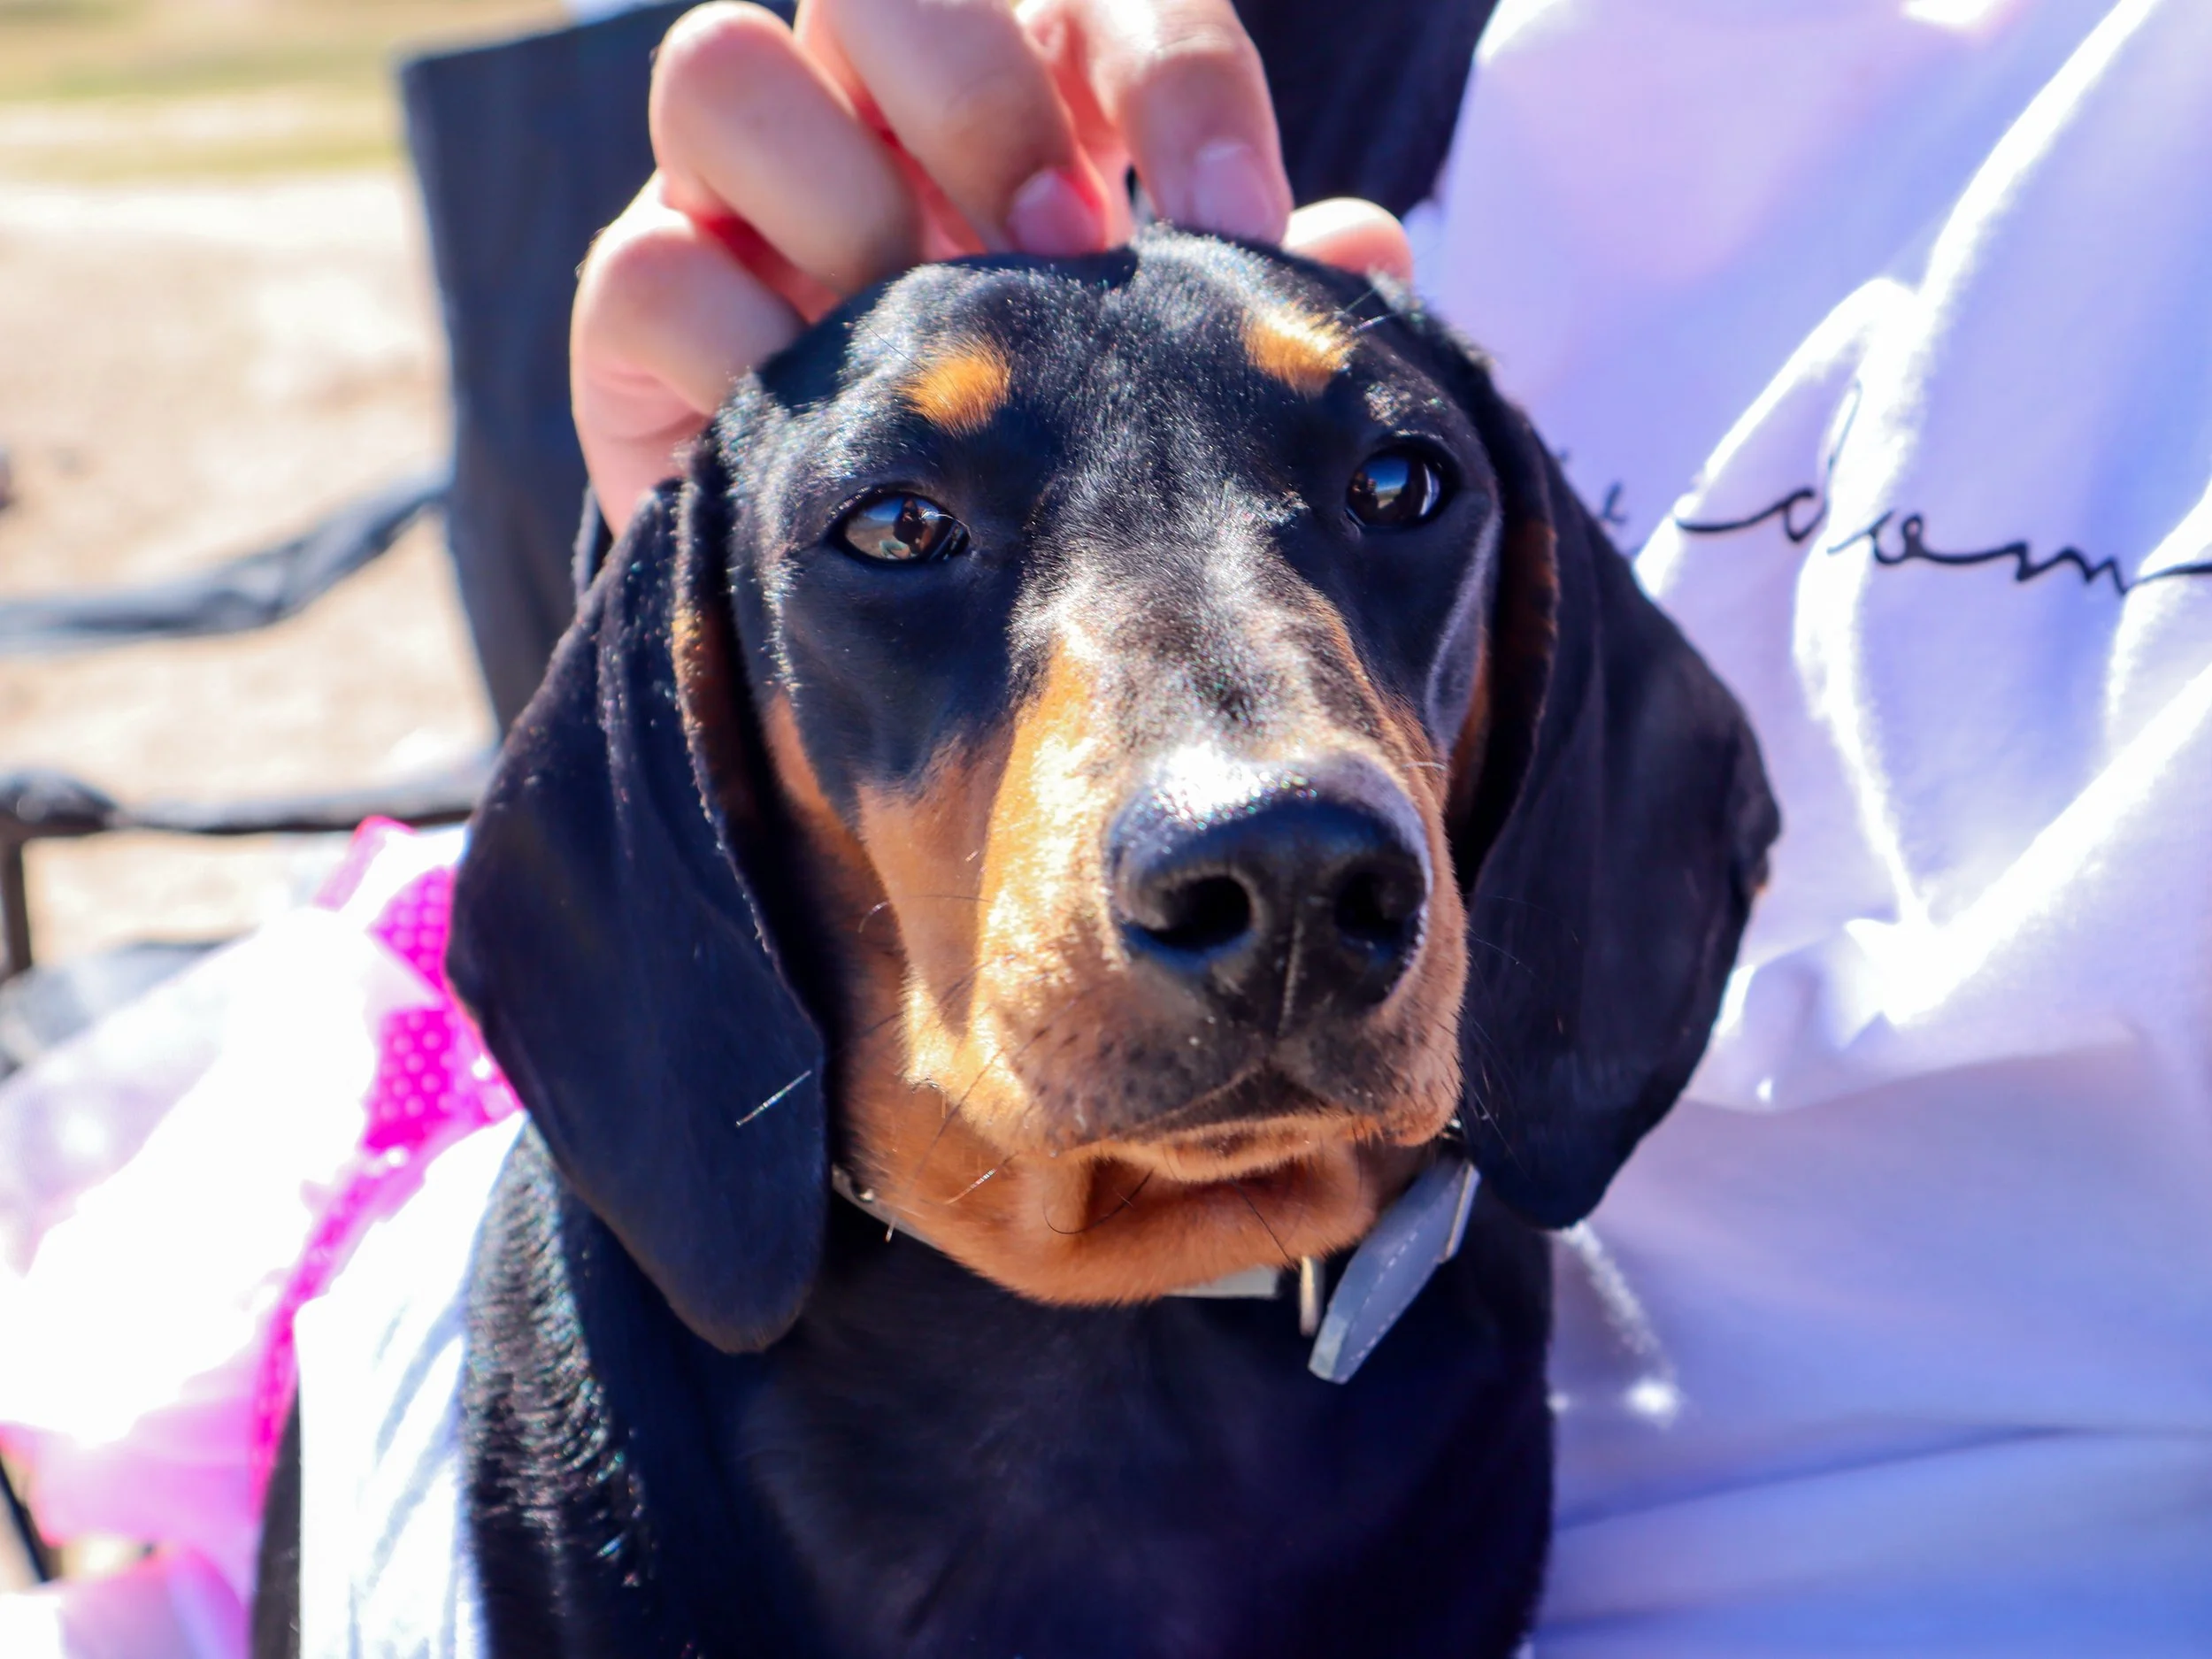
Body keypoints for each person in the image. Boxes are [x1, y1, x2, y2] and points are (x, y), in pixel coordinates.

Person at [572, 0, 2212, 1652]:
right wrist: (687, 517)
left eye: (1398, 493)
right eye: (905, 521)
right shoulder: (1302, 64)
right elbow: (679, 1039)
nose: (1272, 845)